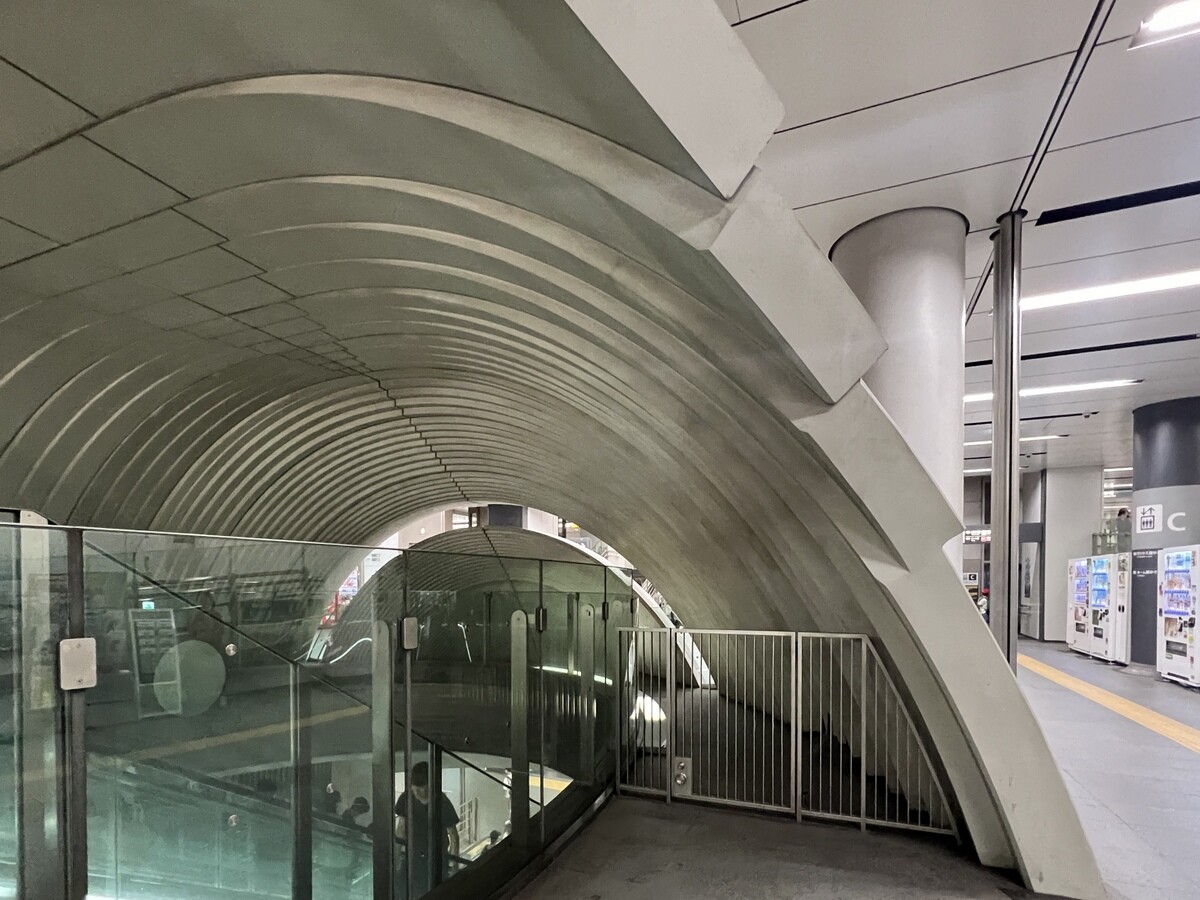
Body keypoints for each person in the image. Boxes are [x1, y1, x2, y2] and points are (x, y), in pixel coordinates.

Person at [394, 762, 460, 893]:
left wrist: (454, 866)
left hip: (436, 859)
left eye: (425, 790)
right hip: (412, 856)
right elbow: (400, 830)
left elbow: (454, 836)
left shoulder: (442, 802)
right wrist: (395, 860)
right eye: (416, 790)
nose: (421, 794)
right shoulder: (406, 798)